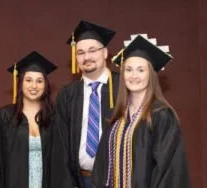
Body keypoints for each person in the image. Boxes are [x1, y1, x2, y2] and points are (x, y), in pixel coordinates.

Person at [92, 34, 190, 187]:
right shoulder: (114, 116)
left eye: (141, 70)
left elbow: (169, 170)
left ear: (150, 75)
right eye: (128, 70)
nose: (134, 76)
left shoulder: (161, 115)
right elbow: (101, 167)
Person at [51, 20, 120, 188]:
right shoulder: (68, 94)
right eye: (80, 52)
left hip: (118, 179)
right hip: (82, 181)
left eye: (92, 50)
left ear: (105, 53)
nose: (87, 57)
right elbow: (61, 145)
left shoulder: (123, 87)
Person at [0, 51, 57, 188]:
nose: (34, 86)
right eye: (28, 80)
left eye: (39, 81)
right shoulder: (3, 117)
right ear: (20, 83)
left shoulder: (54, 117)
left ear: (46, 86)